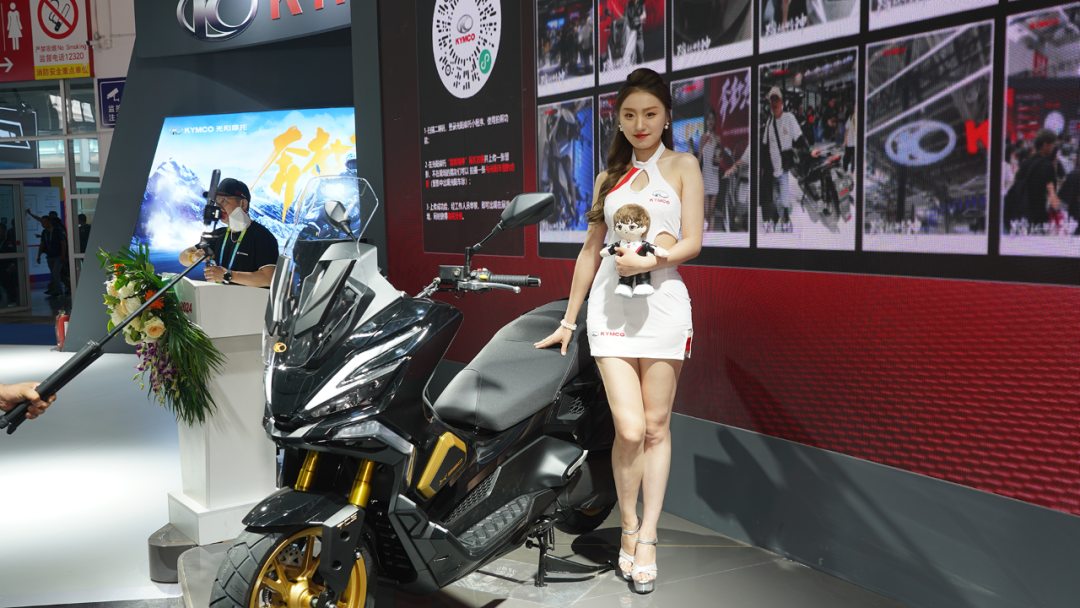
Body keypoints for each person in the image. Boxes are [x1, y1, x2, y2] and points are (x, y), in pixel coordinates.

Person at [534, 68, 703, 594]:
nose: (640, 123)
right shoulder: (610, 178)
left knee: (655, 427)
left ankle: (646, 536)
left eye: (650, 113)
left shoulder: (684, 165)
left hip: (664, 310)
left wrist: (653, 259)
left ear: (667, 117)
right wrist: (569, 320)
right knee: (628, 430)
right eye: (630, 114)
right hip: (610, 314)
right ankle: (627, 524)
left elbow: (693, 241)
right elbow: (590, 251)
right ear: (620, 120)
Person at [178, 178, 279, 288]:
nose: (218, 207)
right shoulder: (218, 234)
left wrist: (227, 275)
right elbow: (183, 257)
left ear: (243, 204)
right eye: (216, 202)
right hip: (219, 297)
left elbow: (270, 278)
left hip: (249, 299)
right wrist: (194, 257)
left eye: (224, 201)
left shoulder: (261, 236)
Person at [761, 87, 816, 225]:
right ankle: (778, 219)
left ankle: (786, 218)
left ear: (781, 102)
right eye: (772, 100)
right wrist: (762, 167)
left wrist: (810, 150)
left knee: (785, 195)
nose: (774, 103)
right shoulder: (769, 122)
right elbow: (764, 146)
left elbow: (799, 137)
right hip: (771, 168)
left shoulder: (789, 118)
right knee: (774, 196)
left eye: (777, 100)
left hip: (783, 166)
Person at [1016, 129, 1061, 228]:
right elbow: (1053, 198)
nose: (1053, 147)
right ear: (1045, 144)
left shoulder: (1025, 164)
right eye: (1052, 144)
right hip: (1039, 215)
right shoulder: (1048, 166)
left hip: (1022, 215)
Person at [698, 108, 721, 231]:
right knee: (706, 210)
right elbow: (699, 157)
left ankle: (711, 233)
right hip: (705, 174)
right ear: (706, 121)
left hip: (714, 174)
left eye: (713, 119)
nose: (711, 121)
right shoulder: (703, 137)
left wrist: (718, 159)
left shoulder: (718, 138)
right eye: (709, 119)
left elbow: (720, 157)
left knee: (712, 209)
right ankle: (705, 233)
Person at [36, 215, 69, 297]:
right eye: (42, 222)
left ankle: (59, 291)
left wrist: (63, 255)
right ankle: (56, 290)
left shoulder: (57, 231)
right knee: (54, 274)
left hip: (58, 255)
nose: (43, 224)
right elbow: (42, 244)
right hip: (49, 256)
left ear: (49, 222)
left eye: (45, 222)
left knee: (55, 273)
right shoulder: (44, 232)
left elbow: (63, 243)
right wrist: (39, 255)